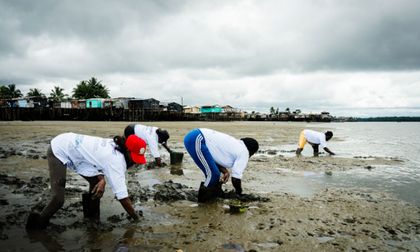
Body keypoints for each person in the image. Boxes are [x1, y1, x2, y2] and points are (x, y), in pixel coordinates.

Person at [26, 132, 147, 229]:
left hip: (77, 150)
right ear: (127, 150)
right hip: (60, 149)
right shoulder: (116, 161)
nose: (136, 162)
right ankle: (37, 225)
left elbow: (96, 159)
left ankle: (91, 219)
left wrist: (102, 179)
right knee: (58, 199)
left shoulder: (115, 145)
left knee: (96, 184)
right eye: (135, 158)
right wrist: (136, 218)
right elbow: (122, 197)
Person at [183, 128, 259, 202]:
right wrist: (239, 193)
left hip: (196, 137)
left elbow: (212, 158)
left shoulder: (237, 146)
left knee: (214, 173)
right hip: (197, 139)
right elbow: (236, 178)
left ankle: (212, 196)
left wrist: (225, 171)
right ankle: (203, 202)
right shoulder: (244, 152)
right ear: (252, 151)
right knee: (213, 174)